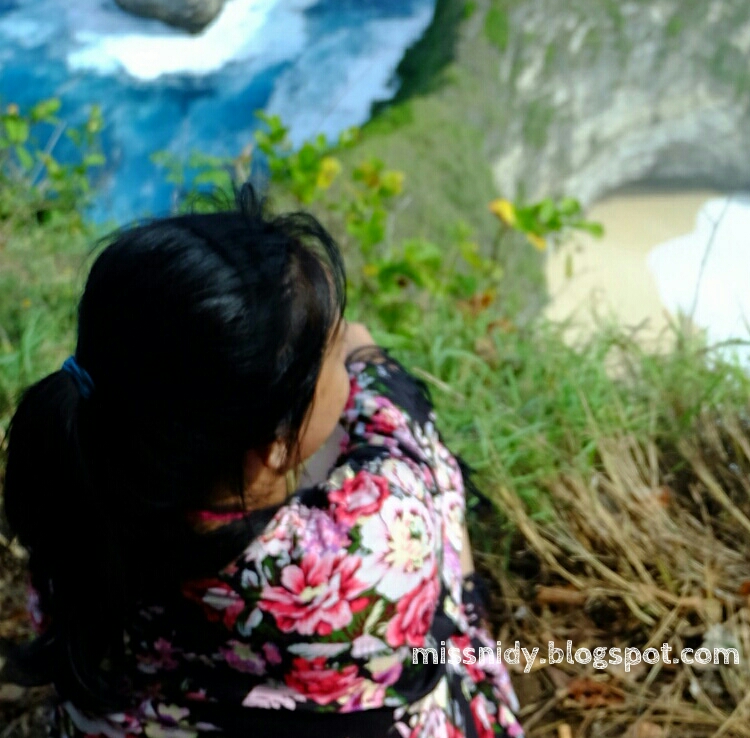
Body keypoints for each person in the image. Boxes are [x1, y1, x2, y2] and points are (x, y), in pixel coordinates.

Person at [2, 188, 523, 738]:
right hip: (367, 676)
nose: (343, 355)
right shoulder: (363, 556)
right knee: (441, 502)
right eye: (332, 354)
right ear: (273, 446)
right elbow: (406, 448)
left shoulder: (72, 486)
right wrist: (370, 360)